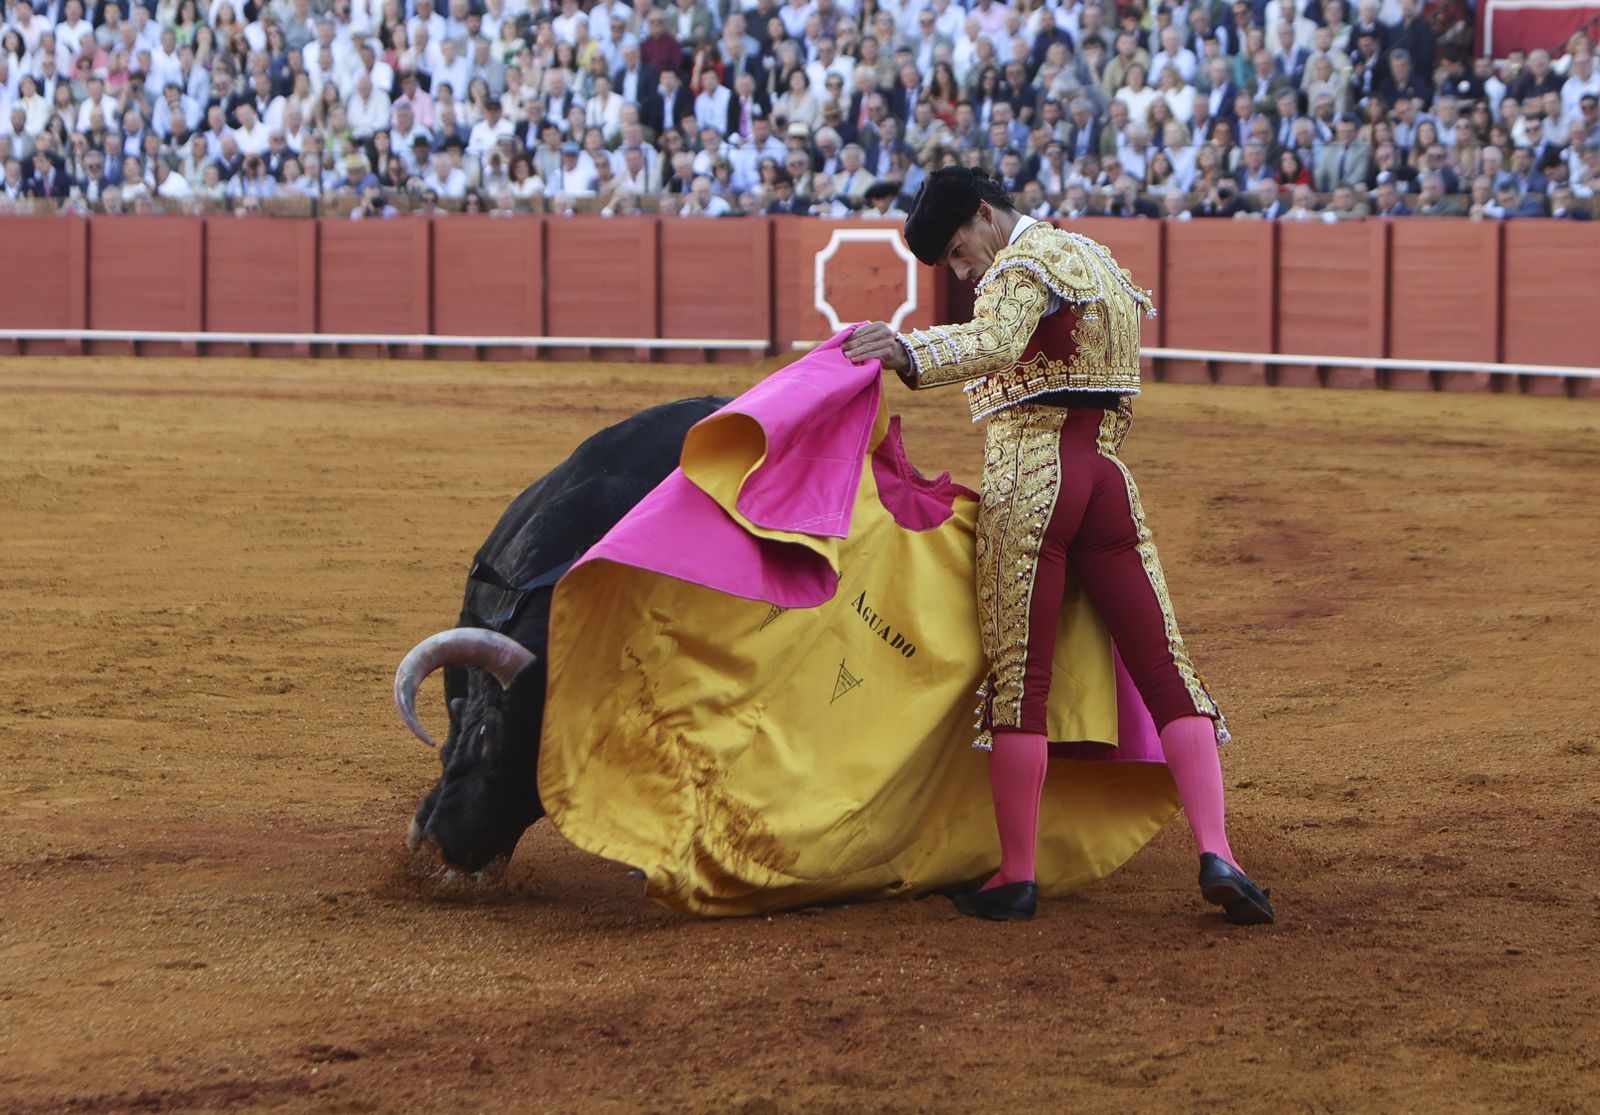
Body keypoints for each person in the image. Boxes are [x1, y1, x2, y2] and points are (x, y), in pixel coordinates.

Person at [841, 167, 1273, 926]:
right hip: (1108, 478)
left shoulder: (1019, 266)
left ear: (984, 213)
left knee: (1020, 679)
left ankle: (1017, 873)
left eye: (958, 251)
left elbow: (997, 339)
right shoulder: (1095, 259)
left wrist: (909, 354)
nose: (963, 269)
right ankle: (1218, 850)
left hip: (1033, 481)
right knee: (1165, 665)